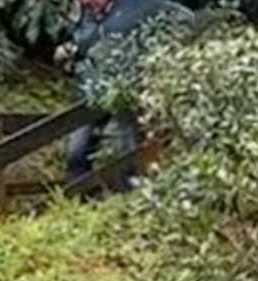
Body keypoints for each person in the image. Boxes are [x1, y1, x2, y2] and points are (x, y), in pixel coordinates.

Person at [61, 0, 192, 185]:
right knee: (77, 152)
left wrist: (167, 50)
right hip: (90, 91)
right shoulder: (84, 15)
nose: (85, 3)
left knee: (126, 146)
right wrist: (69, 50)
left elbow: (184, 16)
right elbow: (81, 41)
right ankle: (75, 192)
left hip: (126, 91)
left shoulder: (139, 5)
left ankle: (127, 188)